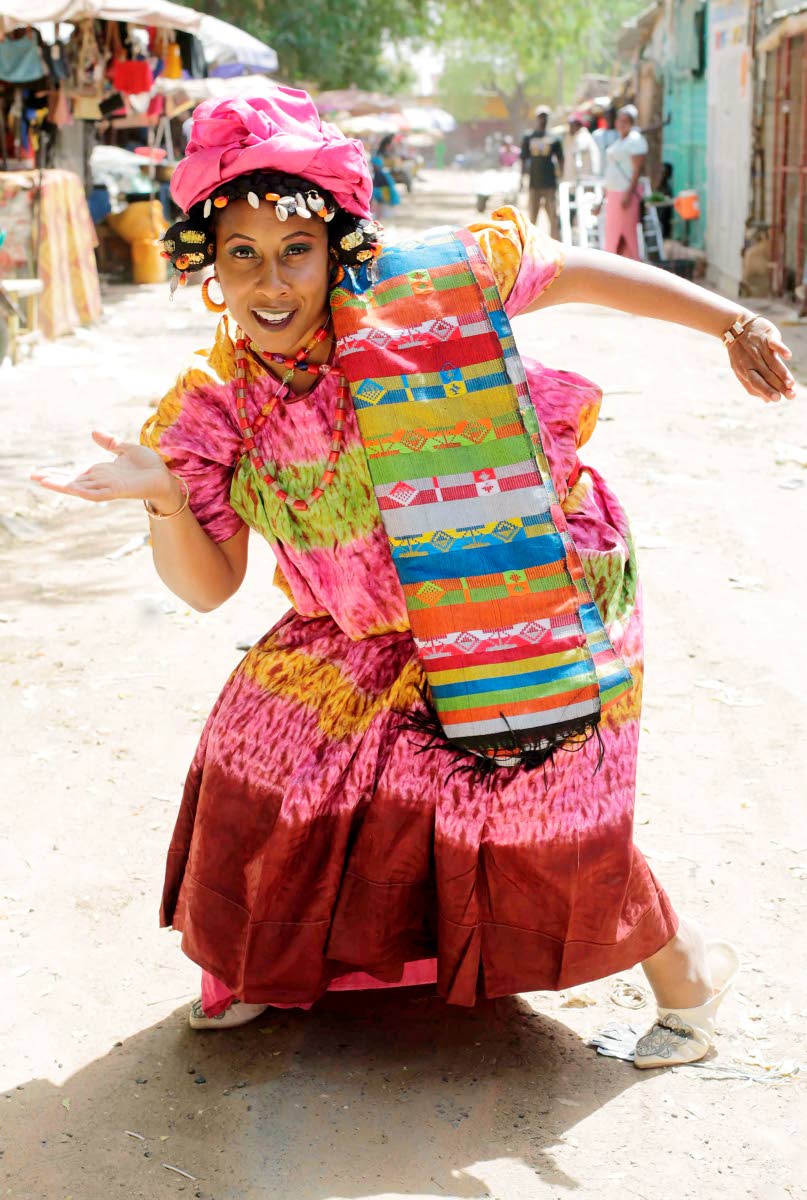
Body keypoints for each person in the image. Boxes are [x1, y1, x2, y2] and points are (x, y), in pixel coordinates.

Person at [32, 88, 796, 1069]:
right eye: (242, 255)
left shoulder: (424, 290)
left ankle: (688, 972)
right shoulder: (212, 407)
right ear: (208, 267)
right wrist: (165, 497)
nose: (273, 281)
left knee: (523, 790)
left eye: (296, 249)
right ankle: (264, 962)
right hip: (360, 625)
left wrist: (732, 321)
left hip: (519, 590)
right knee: (262, 745)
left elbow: (569, 269)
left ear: (338, 249)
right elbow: (210, 589)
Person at [597, 104, 648, 259]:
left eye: (626, 121)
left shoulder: (635, 140)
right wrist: (602, 199)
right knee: (613, 235)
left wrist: (628, 193)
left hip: (625, 194)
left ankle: (632, 267)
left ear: (631, 123)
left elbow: (637, 170)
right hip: (613, 194)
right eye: (620, 120)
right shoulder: (619, 141)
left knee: (626, 234)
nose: (621, 124)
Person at [520, 105, 564, 237]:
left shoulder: (554, 138)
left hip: (550, 184)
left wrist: (561, 176)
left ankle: (555, 242)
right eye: (540, 116)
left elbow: (561, 159)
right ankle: (531, 243)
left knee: (553, 216)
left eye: (545, 117)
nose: (543, 119)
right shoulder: (529, 137)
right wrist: (521, 179)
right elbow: (523, 159)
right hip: (534, 183)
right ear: (537, 118)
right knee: (532, 217)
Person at [562, 114, 601, 184]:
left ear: (579, 125)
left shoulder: (582, 137)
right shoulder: (575, 136)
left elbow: (577, 159)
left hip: (584, 179)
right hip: (582, 179)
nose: (570, 127)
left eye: (572, 125)